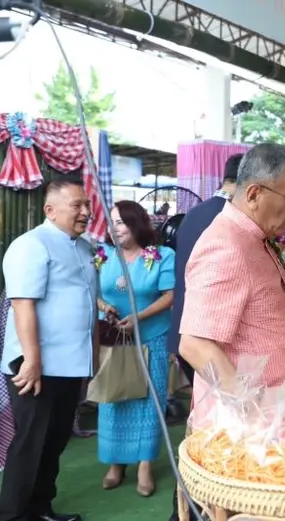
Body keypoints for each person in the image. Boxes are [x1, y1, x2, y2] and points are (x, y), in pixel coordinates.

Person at [179, 143, 285, 412]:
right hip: (245, 424)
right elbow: (195, 344)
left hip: (273, 411)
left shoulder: (255, 236)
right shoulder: (227, 245)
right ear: (254, 194)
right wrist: (250, 409)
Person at [0, 178, 98, 521]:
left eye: (86, 205)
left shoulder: (84, 248)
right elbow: (22, 305)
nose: (85, 212)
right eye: (77, 206)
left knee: (54, 442)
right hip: (35, 364)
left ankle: (41, 509)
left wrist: (93, 361)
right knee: (30, 443)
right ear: (50, 210)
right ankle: (13, 515)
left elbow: (87, 306)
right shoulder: (31, 245)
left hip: (70, 364)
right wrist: (33, 360)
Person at [95, 201, 175, 497]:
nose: (114, 228)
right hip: (114, 341)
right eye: (111, 223)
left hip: (150, 338)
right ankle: (115, 463)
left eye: (120, 222)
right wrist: (104, 306)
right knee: (113, 397)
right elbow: (92, 292)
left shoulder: (162, 255)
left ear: (136, 223)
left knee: (149, 401)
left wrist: (139, 317)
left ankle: (144, 465)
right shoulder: (103, 255)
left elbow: (171, 295)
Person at [167, 153, 241, 389]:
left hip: (183, 327)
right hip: (209, 335)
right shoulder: (230, 216)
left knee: (206, 407)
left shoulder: (194, 214)